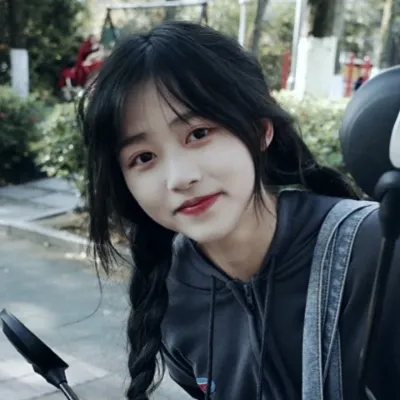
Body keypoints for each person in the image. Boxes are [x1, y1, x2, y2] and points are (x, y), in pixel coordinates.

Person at [77, 21, 400, 400]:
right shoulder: (170, 292)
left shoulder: (380, 252)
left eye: (198, 134)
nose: (179, 178)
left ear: (261, 129)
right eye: (144, 157)